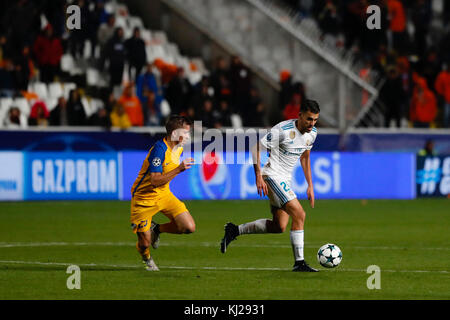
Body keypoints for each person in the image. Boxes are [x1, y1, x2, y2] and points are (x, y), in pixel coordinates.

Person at [220, 99, 321, 272]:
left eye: (315, 120)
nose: (312, 124)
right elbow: (256, 148)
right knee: (299, 214)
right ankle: (299, 263)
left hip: (285, 179)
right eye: (309, 119)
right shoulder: (282, 130)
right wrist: (258, 175)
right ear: (300, 115)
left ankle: (234, 230)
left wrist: (310, 185)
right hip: (272, 175)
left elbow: (305, 157)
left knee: (279, 226)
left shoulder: (312, 133)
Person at [130, 115, 195, 271]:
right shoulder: (159, 150)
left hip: (163, 194)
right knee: (145, 243)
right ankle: (147, 259)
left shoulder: (178, 147)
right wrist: (179, 169)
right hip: (144, 199)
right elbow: (154, 180)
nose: (188, 136)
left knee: (188, 227)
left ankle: (156, 229)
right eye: (185, 133)